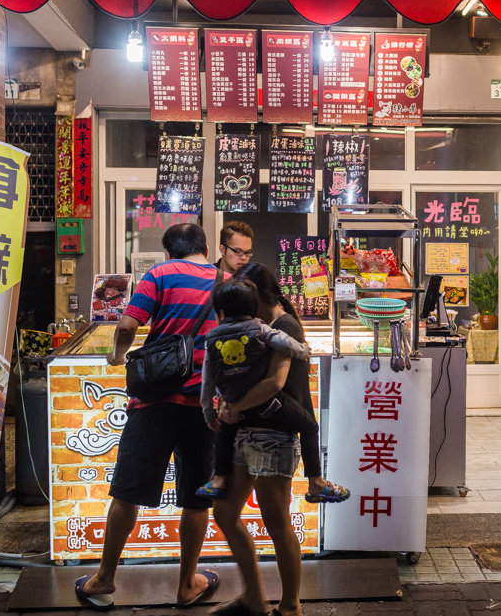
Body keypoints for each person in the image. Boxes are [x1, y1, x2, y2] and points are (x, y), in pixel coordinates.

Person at [75, 224, 222, 609]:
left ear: (168, 251)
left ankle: (105, 578)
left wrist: (117, 355)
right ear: (206, 247)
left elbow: (127, 324)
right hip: (204, 404)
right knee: (196, 498)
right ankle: (188, 584)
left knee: (128, 492)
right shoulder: (226, 280)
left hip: (154, 400)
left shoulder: (158, 275)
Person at [211, 263, 338, 616]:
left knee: (276, 520)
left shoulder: (284, 326)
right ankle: (254, 596)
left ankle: (291, 605)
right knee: (224, 512)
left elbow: (274, 384)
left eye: (246, 292)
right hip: (244, 430)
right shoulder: (255, 326)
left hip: (274, 435)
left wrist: (230, 405)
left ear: (259, 292)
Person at [196, 278, 349, 504]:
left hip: (230, 401)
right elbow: (285, 343)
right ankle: (316, 481)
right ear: (253, 308)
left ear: (220, 312)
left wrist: (209, 411)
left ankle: (218, 479)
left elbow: (207, 380)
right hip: (266, 403)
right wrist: (304, 350)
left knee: (224, 430)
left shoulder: (212, 338)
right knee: (309, 426)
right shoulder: (259, 328)